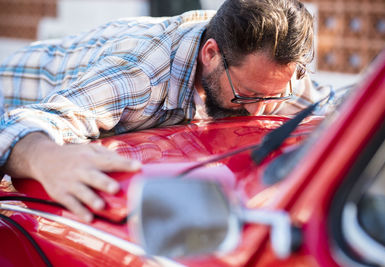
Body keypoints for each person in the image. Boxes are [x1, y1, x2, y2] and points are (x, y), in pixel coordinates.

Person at [0, 0, 325, 222]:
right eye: (246, 95)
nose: (257, 112)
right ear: (210, 54)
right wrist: (45, 158)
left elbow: (332, 109)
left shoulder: (271, 72)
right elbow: (20, 126)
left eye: (274, 96)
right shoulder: (140, 74)